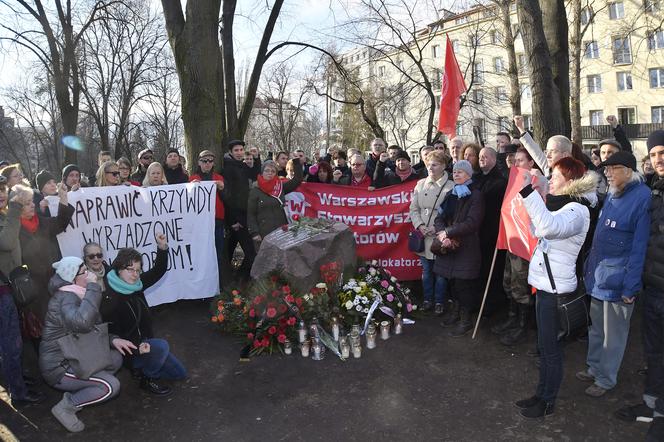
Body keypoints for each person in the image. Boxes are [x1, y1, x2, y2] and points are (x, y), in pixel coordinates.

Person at [514, 157, 597, 418]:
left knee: (551, 350)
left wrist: (529, 191)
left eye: (555, 176)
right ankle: (540, 394)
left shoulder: (578, 210)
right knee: (544, 345)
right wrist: (537, 201)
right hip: (545, 286)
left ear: (570, 180)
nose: (550, 180)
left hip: (556, 290)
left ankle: (547, 401)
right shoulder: (564, 206)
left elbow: (548, 228)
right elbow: (538, 227)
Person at [578, 151, 651, 397]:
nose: (607, 173)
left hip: (619, 282)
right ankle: (594, 366)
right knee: (597, 328)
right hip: (599, 277)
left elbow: (639, 248)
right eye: (606, 169)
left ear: (629, 171)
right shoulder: (613, 193)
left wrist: (630, 287)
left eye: (613, 168)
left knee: (614, 335)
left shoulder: (642, 198)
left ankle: (606, 379)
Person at [39, 257, 132, 432]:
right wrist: (93, 287)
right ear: (72, 277)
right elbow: (82, 322)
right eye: (84, 272)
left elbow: (92, 329)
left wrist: (113, 340)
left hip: (76, 355)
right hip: (60, 367)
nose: (89, 274)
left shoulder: (76, 293)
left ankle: (88, 388)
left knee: (115, 357)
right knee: (110, 386)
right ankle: (66, 407)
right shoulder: (66, 297)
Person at [613, 131, 664, 440]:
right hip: (653, 289)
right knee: (654, 353)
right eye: (655, 153)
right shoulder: (653, 191)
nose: (659, 158)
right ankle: (653, 406)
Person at [100, 233, 186, 395]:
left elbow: (158, 270)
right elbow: (110, 335)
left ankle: (149, 366)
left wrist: (162, 247)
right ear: (118, 269)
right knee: (161, 346)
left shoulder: (136, 284)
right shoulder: (109, 297)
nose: (135, 274)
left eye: (138, 270)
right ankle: (146, 377)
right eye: (130, 269)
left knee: (179, 373)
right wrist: (136, 349)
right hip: (130, 352)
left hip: (147, 343)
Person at [0, 182, 44, 407]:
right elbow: (6, 243)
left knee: (12, 343)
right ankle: (18, 393)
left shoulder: (4, 215)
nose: (0, 195)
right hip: (2, 293)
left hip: (9, 288)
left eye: (1, 190)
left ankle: (16, 380)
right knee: (11, 345)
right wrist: (16, 210)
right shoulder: (9, 215)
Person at [434, 160, 484, 337]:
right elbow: (439, 216)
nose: (456, 174)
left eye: (460, 172)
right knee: (452, 284)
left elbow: (472, 222)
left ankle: (465, 319)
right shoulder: (451, 194)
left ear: (469, 175)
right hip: (449, 247)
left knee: (464, 286)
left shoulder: (475, 195)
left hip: (466, 248)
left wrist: (448, 232)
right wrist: (442, 234)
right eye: (454, 172)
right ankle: (455, 312)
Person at [492, 148, 536, 346]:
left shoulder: (536, 181)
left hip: (525, 243)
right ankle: (512, 318)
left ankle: (522, 325)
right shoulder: (514, 182)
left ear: (531, 163)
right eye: (515, 161)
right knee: (508, 282)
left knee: (520, 286)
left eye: (520, 160)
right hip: (512, 240)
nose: (516, 164)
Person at [17, 183, 75, 333]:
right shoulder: (14, 230)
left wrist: (63, 198)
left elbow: (61, 223)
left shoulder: (41, 222)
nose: (32, 205)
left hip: (53, 283)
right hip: (33, 291)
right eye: (27, 203)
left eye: (32, 201)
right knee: (44, 332)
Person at [409, 150, 454, 315]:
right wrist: (420, 225)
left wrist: (438, 229)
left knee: (441, 272)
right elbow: (413, 209)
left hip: (439, 235)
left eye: (434, 164)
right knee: (426, 271)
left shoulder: (451, 186)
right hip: (423, 234)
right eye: (428, 164)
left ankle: (440, 302)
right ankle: (428, 299)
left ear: (443, 166)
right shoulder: (420, 184)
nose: (430, 167)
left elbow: (453, 213)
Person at [474, 147, 508, 314]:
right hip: (476, 233)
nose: (482, 159)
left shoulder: (500, 181)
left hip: (492, 233)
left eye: (485, 156)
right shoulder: (477, 178)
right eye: (480, 156)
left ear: (494, 159)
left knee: (491, 271)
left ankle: (491, 306)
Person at [222, 140, 260, 281]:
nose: (239, 153)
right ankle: (236, 281)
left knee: (233, 250)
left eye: (241, 150)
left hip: (244, 215)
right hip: (236, 218)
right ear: (231, 152)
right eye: (236, 150)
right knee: (247, 251)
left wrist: (256, 159)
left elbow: (255, 174)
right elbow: (227, 196)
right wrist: (233, 220)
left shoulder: (242, 166)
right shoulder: (228, 168)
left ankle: (237, 279)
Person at [190, 150, 225, 289]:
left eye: (210, 161)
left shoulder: (218, 177)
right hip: (199, 224)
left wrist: (222, 189)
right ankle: (201, 288)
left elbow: (227, 200)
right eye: (205, 161)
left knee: (218, 255)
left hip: (217, 222)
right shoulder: (193, 178)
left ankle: (217, 287)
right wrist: (191, 187)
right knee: (201, 255)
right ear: (199, 162)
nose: (207, 164)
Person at [248, 159, 303, 246]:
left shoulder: (280, 187)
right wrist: (254, 232)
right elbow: (251, 213)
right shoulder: (255, 190)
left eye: (273, 171)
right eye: (267, 170)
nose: (270, 173)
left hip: (281, 231)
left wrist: (296, 161)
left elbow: (297, 180)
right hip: (263, 233)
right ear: (262, 172)